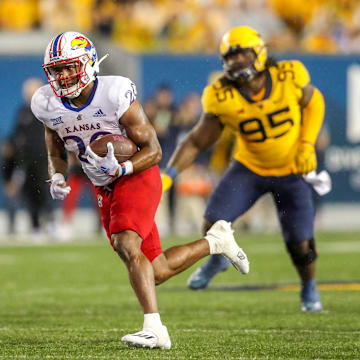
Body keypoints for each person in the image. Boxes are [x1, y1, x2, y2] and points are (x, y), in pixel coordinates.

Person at [31, 31, 250, 349]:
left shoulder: (113, 93)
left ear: (88, 63)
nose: (62, 76)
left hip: (137, 173)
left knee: (126, 242)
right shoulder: (47, 103)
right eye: (56, 69)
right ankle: (217, 241)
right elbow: (55, 151)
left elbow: (155, 150)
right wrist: (59, 176)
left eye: (68, 67)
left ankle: (155, 329)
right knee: (156, 268)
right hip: (104, 184)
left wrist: (124, 167)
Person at [162, 26, 325, 312]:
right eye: (231, 56)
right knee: (212, 222)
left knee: (301, 244)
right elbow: (198, 139)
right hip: (250, 168)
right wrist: (169, 175)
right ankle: (217, 259)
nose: (237, 61)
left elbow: (315, 102)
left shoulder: (288, 75)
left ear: (259, 52)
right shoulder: (222, 94)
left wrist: (307, 144)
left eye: (242, 54)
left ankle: (309, 288)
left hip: (290, 169)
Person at [1, 78, 54, 238]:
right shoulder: (23, 112)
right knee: (30, 193)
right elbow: (17, 133)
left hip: (45, 159)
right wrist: (10, 145)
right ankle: (35, 226)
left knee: (46, 192)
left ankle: (51, 223)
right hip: (26, 161)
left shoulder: (48, 111)